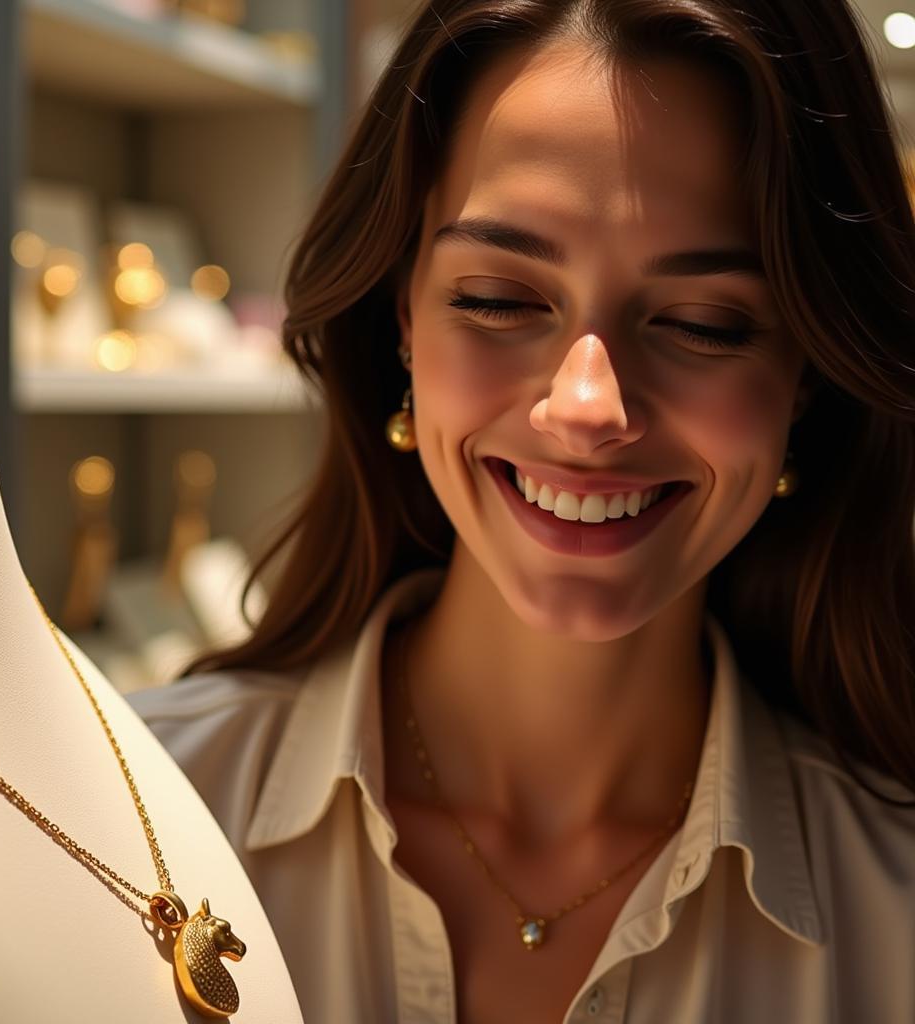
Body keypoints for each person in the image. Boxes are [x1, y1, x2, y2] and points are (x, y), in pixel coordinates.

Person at [126, 1, 915, 1021]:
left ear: (807, 371)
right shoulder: (132, 815)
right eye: (498, 298)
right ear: (401, 313)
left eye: (704, 321)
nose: (587, 407)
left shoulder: (890, 910)